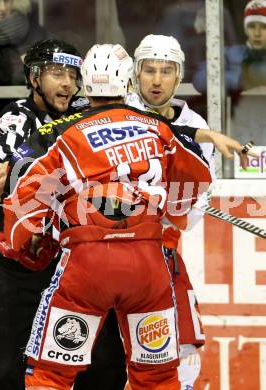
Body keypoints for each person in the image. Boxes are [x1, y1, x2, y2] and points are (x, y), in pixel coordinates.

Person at [0, 43, 215, 390]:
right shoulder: (158, 127)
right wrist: (171, 210)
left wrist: (17, 243)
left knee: (51, 375)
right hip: (148, 268)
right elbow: (200, 177)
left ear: (86, 83)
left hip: (86, 266)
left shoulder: (65, 131)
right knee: (157, 378)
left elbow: (27, 192)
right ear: (128, 82)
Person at [0, 39, 127, 390]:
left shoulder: (89, 112)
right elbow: (17, 174)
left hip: (79, 270)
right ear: (33, 77)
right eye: (57, 74)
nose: (67, 84)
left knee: (105, 372)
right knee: (0, 378)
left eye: (73, 75)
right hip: (20, 274)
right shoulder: (14, 119)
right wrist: (20, 167)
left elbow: (131, 123)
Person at [125, 33, 215, 389]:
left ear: (179, 77)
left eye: (166, 71)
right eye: (149, 70)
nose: (157, 80)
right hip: (107, 250)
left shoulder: (198, 128)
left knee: (182, 345)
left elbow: (192, 209)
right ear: (135, 73)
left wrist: (176, 204)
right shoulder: (117, 112)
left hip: (162, 253)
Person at [193, 0, 266, 94]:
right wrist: (238, 79)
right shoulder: (232, 54)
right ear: (246, 29)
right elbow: (199, 80)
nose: (257, 33)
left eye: (264, 27)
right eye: (252, 26)